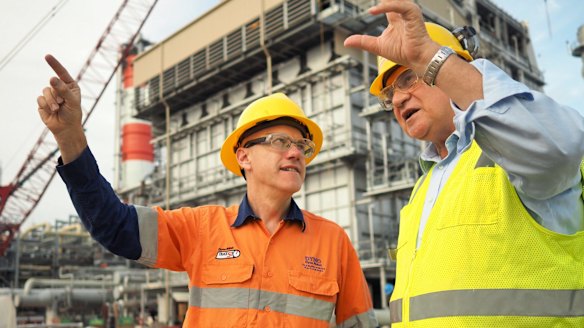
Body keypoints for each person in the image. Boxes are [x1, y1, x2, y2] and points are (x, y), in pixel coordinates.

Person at [37, 55, 378, 327]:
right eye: (279, 142)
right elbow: (113, 225)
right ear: (243, 156)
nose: (295, 153)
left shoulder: (333, 242)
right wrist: (70, 137)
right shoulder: (202, 229)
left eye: (301, 146)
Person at [344, 0, 584, 327]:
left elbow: (559, 149)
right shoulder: (422, 190)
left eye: (408, 78)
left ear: (446, 68)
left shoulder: (508, 154)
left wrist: (429, 56)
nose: (397, 99)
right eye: (389, 93)